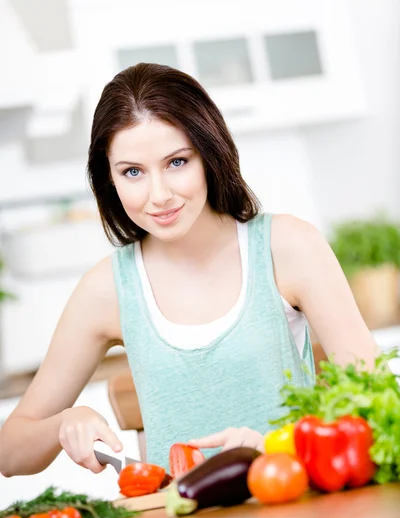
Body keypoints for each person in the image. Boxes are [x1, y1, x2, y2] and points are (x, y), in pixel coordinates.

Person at [0, 63, 379, 476]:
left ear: (210, 152)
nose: (159, 195)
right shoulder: (107, 289)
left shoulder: (287, 247)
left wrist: (277, 447)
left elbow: (378, 404)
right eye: (132, 172)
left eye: (177, 162)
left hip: (298, 511)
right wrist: (63, 424)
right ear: (108, 180)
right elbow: (9, 453)